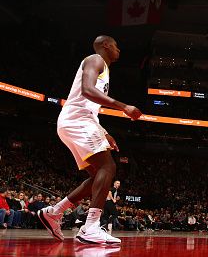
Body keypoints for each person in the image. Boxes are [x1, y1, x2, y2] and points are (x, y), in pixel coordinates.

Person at [38, 35, 142, 244]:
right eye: (116, 46)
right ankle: (90, 227)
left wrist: (104, 133)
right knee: (108, 167)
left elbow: (90, 106)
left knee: (97, 177)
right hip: (77, 121)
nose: (119, 50)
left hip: (79, 122)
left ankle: (54, 212)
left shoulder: (104, 68)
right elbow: (87, 90)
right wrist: (123, 106)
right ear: (106, 45)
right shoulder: (95, 59)